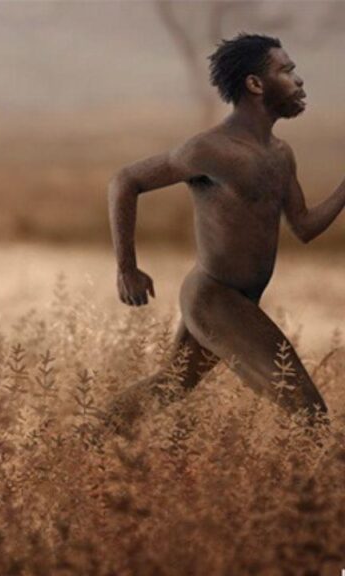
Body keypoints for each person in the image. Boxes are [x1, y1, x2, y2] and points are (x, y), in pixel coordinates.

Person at [104, 34, 345, 435]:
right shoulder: (211, 149)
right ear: (255, 84)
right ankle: (314, 494)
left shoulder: (280, 153)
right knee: (310, 415)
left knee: (169, 386)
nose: (299, 81)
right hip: (215, 297)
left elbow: (303, 227)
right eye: (286, 71)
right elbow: (125, 180)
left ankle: (80, 441)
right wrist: (126, 268)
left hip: (239, 299)